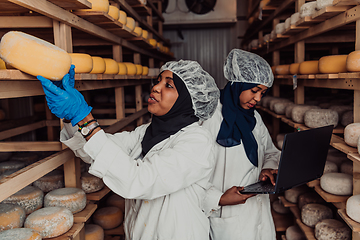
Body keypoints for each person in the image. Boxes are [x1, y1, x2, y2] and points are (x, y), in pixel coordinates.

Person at [37, 60, 220, 240]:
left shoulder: (197, 142)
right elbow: (95, 151)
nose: (156, 88)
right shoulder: (146, 132)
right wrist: (72, 119)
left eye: (169, 85)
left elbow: (140, 180)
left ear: (187, 101)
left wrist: (85, 119)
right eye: (158, 81)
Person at [202, 49, 281, 240]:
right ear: (238, 84)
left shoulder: (255, 117)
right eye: (254, 91)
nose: (258, 99)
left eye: (263, 92)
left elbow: (270, 152)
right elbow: (191, 172)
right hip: (226, 216)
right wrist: (218, 198)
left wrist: (268, 169)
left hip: (258, 212)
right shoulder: (211, 118)